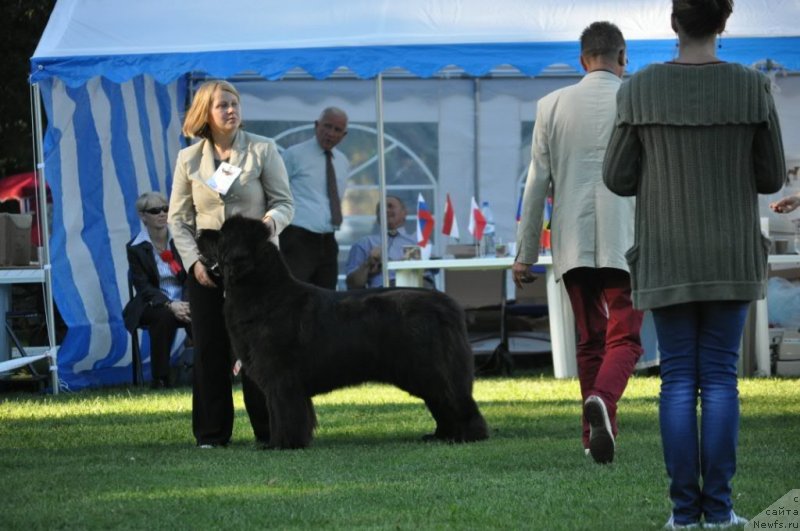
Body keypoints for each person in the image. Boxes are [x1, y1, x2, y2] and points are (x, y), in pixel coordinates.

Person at [603, 1, 785, 527]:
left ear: (673, 23)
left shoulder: (637, 88)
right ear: (724, 23)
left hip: (666, 254)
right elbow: (771, 175)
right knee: (722, 379)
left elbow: (617, 176)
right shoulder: (753, 88)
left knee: (678, 379)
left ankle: (684, 516)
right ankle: (720, 511)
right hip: (731, 252)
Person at [513, 21, 642, 466]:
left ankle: (593, 439)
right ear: (623, 57)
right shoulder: (635, 98)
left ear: (582, 60)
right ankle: (604, 401)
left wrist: (525, 252)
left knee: (590, 341)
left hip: (571, 242)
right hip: (626, 238)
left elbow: (535, 186)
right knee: (626, 338)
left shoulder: (550, 105)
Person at [168, 80, 294, 449]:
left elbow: (284, 203)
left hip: (256, 263)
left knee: (262, 348)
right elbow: (178, 219)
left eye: (235, 103)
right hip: (207, 260)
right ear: (206, 112)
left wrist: (267, 226)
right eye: (222, 105)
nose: (231, 110)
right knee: (210, 350)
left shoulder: (262, 149)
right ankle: (211, 434)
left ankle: (269, 429)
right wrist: (193, 263)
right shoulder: (188, 159)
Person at [123, 192, 190, 389]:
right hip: (152, 302)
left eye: (165, 209)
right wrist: (170, 304)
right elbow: (143, 287)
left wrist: (185, 303)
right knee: (164, 316)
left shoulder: (181, 239)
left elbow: (191, 276)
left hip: (184, 298)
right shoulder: (135, 248)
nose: (162, 213)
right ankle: (160, 378)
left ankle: (213, 374)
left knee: (199, 311)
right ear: (143, 216)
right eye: (155, 210)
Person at [280, 107, 350, 289]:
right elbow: (275, 193)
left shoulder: (342, 161)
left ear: (344, 135)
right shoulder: (294, 155)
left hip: (328, 239)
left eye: (337, 130)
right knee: (294, 296)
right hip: (297, 238)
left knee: (327, 298)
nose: (331, 133)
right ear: (316, 125)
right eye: (327, 126)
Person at [345, 195, 435, 289]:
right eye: (381, 209)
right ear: (378, 218)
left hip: (417, 288)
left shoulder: (418, 240)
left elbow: (431, 270)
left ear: (404, 213)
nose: (386, 210)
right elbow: (353, 284)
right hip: (383, 293)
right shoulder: (365, 243)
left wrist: (408, 264)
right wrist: (368, 263)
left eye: (390, 206)